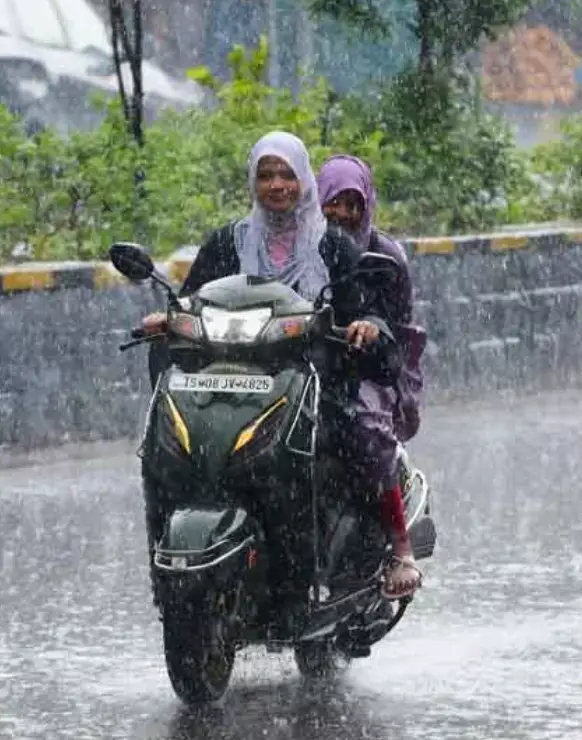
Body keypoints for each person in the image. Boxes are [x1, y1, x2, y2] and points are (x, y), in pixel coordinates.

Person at [140, 131, 421, 600]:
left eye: (286, 175)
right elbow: (191, 298)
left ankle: (396, 547)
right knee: (165, 448)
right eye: (266, 175)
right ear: (252, 181)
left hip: (314, 382)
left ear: (303, 180)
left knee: (360, 437)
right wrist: (167, 319)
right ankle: (166, 574)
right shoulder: (228, 242)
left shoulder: (333, 246)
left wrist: (366, 326)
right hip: (231, 384)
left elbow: (367, 308)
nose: (276, 185)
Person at [316, 154, 426, 598]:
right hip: (307, 361)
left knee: (364, 429)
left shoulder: (385, 254)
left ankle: (401, 546)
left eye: (352, 204)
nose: (342, 213)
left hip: (372, 365)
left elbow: (399, 324)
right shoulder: (303, 244)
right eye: (332, 202)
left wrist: (371, 331)